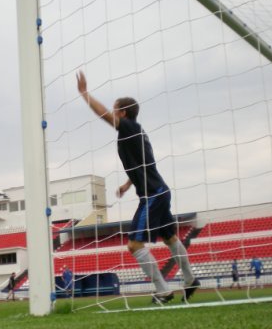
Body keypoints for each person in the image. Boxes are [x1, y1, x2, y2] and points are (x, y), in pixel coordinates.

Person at [76, 71, 200, 304]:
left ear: (123, 113)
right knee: (171, 239)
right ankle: (190, 279)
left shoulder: (129, 128)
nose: (113, 113)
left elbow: (104, 116)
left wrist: (84, 93)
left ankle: (163, 290)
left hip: (152, 195)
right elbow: (141, 165)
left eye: (115, 110)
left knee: (134, 245)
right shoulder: (137, 133)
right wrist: (126, 184)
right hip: (159, 191)